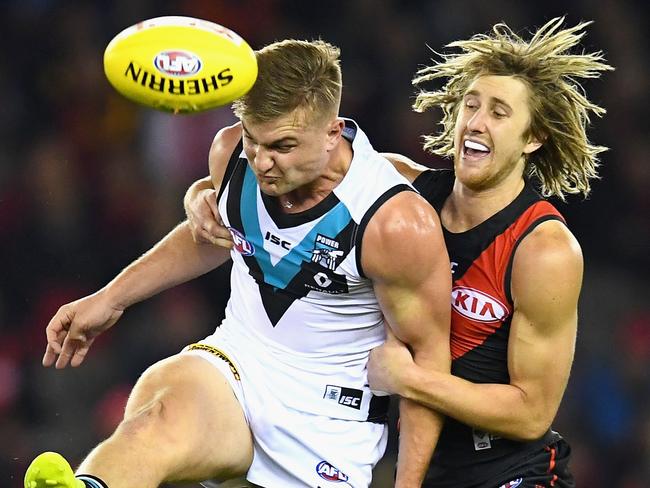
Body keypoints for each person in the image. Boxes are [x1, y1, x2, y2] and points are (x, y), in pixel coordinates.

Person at [183, 18, 612, 488]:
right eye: (471, 104)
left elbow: (532, 413)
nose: (476, 121)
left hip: (512, 473)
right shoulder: (394, 193)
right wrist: (203, 193)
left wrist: (411, 381)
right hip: (414, 462)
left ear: (533, 139)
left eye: (499, 112)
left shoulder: (543, 248)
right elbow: (287, 181)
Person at [24, 39, 452, 488]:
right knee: (156, 414)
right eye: (254, 139)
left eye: (283, 145)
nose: (263, 162)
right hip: (238, 366)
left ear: (333, 132)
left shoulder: (393, 221)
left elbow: (428, 362)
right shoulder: (231, 153)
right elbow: (217, 235)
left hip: (327, 422)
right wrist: (111, 298)